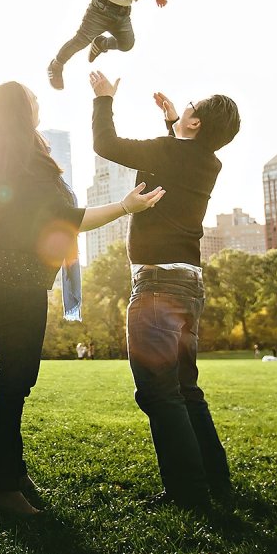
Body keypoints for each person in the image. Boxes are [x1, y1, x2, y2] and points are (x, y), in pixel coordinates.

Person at [0, 80, 164, 516]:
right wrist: (125, 207)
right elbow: (70, 219)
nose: (39, 101)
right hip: (15, 282)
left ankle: (12, 473)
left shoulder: (0, 159)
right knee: (12, 387)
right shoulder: (28, 166)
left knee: (10, 383)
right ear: (21, 111)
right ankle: (1, 489)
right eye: (32, 98)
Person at [89, 69, 241, 511]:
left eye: (191, 106)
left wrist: (103, 99)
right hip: (190, 283)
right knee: (185, 388)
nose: (186, 106)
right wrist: (174, 121)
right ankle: (215, 482)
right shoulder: (209, 161)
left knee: (158, 391)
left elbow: (106, 144)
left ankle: (189, 494)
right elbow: (179, 157)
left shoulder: (170, 150)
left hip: (157, 286)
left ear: (194, 125)